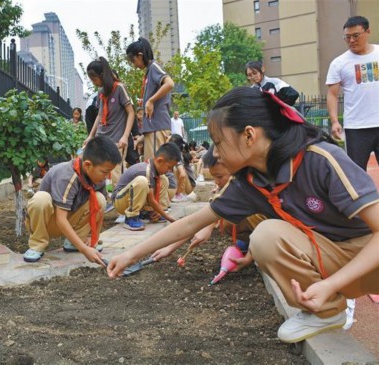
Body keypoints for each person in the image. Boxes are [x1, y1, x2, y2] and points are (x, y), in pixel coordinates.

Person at [108, 86, 379, 344]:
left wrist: (331, 284)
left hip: (369, 261)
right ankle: (327, 313)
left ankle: (328, 298)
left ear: (249, 135)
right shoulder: (250, 183)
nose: (214, 152)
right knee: (266, 237)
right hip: (333, 260)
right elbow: (191, 223)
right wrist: (130, 254)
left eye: (218, 142)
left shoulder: (321, 159)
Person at [151, 145, 264, 262]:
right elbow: (196, 222)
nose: (216, 182)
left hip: (270, 233)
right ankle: (249, 243)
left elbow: (265, 225)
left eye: (220, 176)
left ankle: (255, 248)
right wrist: (170, 247)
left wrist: (249, 258)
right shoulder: (226, 190)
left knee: (238, 221)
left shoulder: (251, 187)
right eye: (214, 177)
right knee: (226, 223)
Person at [22, 136, 121, 264]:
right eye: (105, 171)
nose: (107, 177)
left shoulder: (97, 178)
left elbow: (98, 210)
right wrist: (84, 249)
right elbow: (60, 218)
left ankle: (74, 242)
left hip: (67, 219)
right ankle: (37, 245)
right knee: (41, 198)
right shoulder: (67, 176)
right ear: (87, 165)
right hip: (48, 221)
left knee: (99, 199)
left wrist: (91, 239)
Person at [326, 15, 379, 171]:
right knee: (356, 172)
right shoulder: (339, 63)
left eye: (356, 36)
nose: (351, 41)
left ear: (367, 31)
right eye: (347, 37)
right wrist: (335, 121)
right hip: (356, 127)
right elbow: (332, 94)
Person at [85, 57, 135, 187]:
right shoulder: (101, 92)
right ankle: (104, 199)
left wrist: (125, 136)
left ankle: (117, 202)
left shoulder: (119, 88)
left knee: (116, 174)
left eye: (94, 79)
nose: (94, 83)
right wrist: (91, 136)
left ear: (102, 75)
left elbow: (131, 112)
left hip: (117, 140)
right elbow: (100, 114)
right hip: (101, 138)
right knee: (99, 172)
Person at [111, 143, 181, 231]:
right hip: (120, 201)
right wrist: (168, 217)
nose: (169, 170)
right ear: (159, 160)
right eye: (169, 167)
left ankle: (149, 213)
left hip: (130, 199)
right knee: (142, 181)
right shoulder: (144, 171)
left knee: (164, 179)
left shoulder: (153, 170)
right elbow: (151, 200)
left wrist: (159, 211)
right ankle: (131, 217)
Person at [126, 37, 174, 160]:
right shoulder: (149, 71)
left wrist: (151, 100)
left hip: (157, 128)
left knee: (155, 170)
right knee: (156, 169)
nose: (134, 65)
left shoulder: (154, 67)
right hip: (152, 129)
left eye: (133, 60)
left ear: (140, 55)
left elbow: (169, 84)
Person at [168, 134, 196, 202]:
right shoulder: (177, 152)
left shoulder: (177, 154)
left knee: (175, 168)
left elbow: (182, 174)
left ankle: (180, 194)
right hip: (189, 183)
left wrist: (178, 192)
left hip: (189, 185)